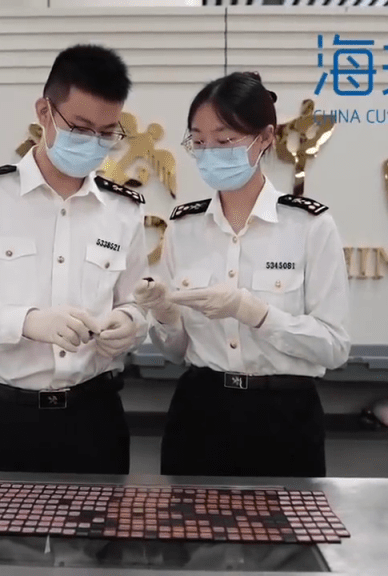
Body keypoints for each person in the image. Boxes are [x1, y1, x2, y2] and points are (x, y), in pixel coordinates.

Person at [0, 44, 149, 475]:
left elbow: (136, 304)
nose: (93, 143)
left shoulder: (123, 210)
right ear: (44, 111)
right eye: (80, 127)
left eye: (106, 133)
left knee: (102, 522)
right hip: (4, 419)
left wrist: (130, 324)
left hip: (94, 418)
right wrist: (25, 322)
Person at [134, 71, 351, 478]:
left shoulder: (308, 225)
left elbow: (334, 347)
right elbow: (176, 352)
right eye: (199, 142)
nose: (210, 153)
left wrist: (255, 313)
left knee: (286, 522)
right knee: (190, 519)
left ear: (265, 137)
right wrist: (163, 316)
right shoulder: (184, 227)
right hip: (201, 411)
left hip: (284, 415)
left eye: (225, 141)